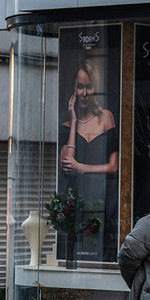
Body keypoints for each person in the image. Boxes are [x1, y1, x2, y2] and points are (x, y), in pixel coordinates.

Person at [58, 58, 119, 262]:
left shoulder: (106, 117)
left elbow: (114, 166)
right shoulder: (67, 125)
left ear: (96, 89)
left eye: (89, 87)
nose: (84, 93)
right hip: (77, 199)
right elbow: (67, 165)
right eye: (80, 86)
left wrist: (81, 168)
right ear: (74, 88)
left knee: (101, 248)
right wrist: (74, 122)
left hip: (101, 197)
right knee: (76, 248)